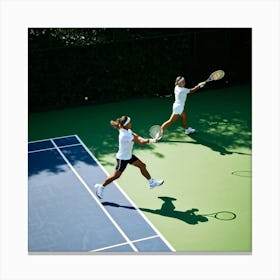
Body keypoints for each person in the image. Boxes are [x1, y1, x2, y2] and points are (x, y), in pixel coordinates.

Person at [94, 115, 164, 199]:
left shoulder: (127, 130)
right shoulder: (125, 134)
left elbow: (137, 136)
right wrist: (151, 140)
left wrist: (149, 139)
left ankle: (151, 182)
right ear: (126, 124)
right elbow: (140, 142)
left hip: (129, 156)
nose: (131, 123)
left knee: (142, 165)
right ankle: (101, 187)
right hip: (122, 158)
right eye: (129, 122)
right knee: (116, 176)